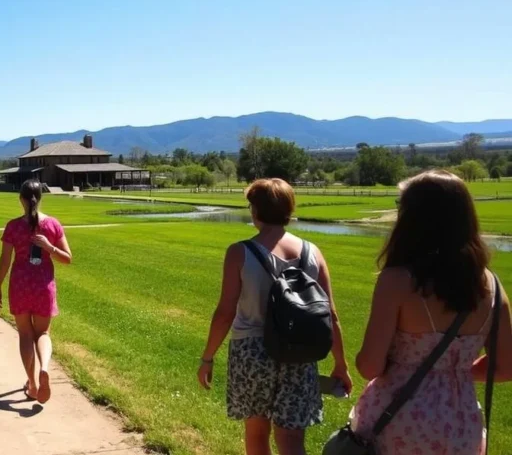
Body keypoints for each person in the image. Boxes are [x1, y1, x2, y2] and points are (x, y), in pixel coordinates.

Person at [349, 170, 512, 454]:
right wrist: (453, 371)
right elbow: (505, 367)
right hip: (462, 424)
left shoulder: (398, 280)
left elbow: (369, 366)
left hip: (398, 419)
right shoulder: (492, 286)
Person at [197, 178, 350, 455]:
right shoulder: (312, 252)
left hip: (252, 351)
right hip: (301, 353)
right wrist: (341, 364)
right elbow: (331, 315)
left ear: (255, 210)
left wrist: (208, 357)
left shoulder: (240, 252)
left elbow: (224, 313)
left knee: (257, 434)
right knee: (291, 441)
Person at [0, 180, 72, 404]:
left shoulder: (13, 226)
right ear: (41, 197)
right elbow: (67, 258)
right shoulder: (53, 225)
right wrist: (49, 247)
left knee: (25, 335)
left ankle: (33, 384)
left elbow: (4, 261)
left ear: (21, 198)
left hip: (20, 286)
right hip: (43, 286)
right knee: (43, 334)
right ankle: (45, 368)